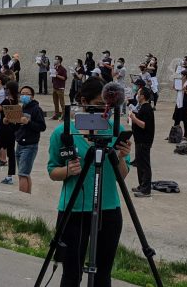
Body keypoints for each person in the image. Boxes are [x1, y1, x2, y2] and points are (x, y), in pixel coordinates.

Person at [46, 77, 131, 287]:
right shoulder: (64, 132)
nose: (106, 111)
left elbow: (123, 174)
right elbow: (51, 171)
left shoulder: (116, 130)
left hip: (109, 208)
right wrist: (67, 170)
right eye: (100, 105)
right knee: (71, 274)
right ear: (84, 101)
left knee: (103, 274)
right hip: (73, 210)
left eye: (110, 106)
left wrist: (120, 156)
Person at [15, 85, 46, 194]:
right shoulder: (21, 108)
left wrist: (28, 122)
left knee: (23, 174)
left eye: (27, 94)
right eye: (22, 93)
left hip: (30, 145)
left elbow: (42, 127)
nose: (24, 96)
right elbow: (18, 126)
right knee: (24, 173)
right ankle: (27, 196)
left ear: (32, 96)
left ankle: (22, 199)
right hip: (19, 143)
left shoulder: (36, 109)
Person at [128, 86, 155, 197]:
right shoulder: (142, 107)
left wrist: (134, 118)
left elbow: (144, 125)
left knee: (144, 164)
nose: (137, 95)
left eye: (138, 93)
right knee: (140, 164)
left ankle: (146, 189)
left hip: (144, 141)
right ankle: (142, 185)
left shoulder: (147, 108)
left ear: (143, 96)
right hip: (139, 140)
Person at [173, 72, 187, 144]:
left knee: (185, 120)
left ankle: (185, 135)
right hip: (179, 103)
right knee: (176, 119)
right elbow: (178, 90)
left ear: (185, 76)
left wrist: (185, 90)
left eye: (182, 75)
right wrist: (175, 87)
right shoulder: (180, 82)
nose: (181, 76)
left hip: (185, 104)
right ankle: (174, 134)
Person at [51, 55, 67, 119]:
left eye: (56, 59)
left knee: (62, 102)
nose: (54, 60)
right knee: (55, 102)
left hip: (60, 88)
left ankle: (64, 115)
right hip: (55, 87)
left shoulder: (63, 69)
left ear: (59, 61)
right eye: (54, 59)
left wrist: (56, 75)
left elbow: (64, 78)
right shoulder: (54, 68)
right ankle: (56, 114)